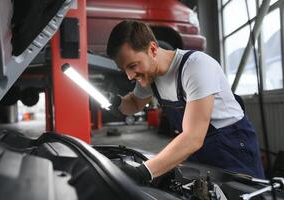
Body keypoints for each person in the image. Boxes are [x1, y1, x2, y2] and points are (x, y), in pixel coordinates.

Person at [106, 20, 265, 184]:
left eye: (132, 66)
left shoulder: (195, 67)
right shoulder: (150, 76)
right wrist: (115, 101)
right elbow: (133, 103)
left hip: (232, 149)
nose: (130, 76)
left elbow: (193, 137)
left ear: (152, 49)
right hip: (198, 151)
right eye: (124, 69)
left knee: (243, 193)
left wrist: (143, 172)